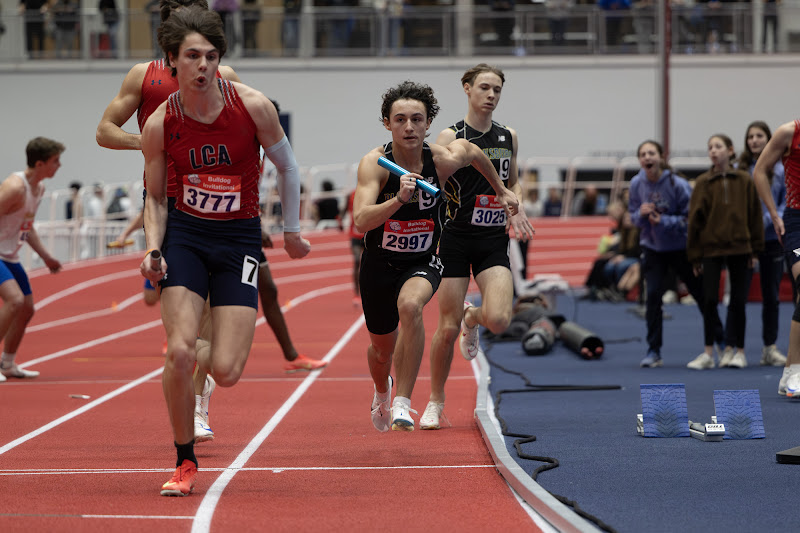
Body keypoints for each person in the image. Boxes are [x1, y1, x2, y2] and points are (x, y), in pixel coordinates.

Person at [140, 6, 310, 496]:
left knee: (228, 371)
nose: (203, 66)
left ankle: (201, 363)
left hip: (238, 240)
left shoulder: (252, 106)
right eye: (192, 56)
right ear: (172, 60)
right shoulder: (160, 123)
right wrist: (153, 247)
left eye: (211, 56)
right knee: (177, 352)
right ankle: (184, 460)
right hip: (186, 238)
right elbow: (155, 196)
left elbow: (289, 167)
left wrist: (293, 230)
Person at [354, 80, 523, 433]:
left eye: (417, 119)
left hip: (424, 259)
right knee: (381, 351)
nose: (409, 127)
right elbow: (360, 220)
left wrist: (502, 190)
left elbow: (475, 155)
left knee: (412, 307)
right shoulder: (376, 163)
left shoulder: (441, 159)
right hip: (378, 264)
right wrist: (398, 200)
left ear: (428, 123)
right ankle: (382, 390)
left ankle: (403, 402)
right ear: (387, 123)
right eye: (400, 119)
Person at [425, 64, 534, 430]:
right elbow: (435, 183)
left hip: (492, 240)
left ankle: (475, 318)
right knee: (445, 328)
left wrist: (516, 205)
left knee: (500, 320)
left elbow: (513, 183)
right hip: (454, 238)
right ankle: (435, 401)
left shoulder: (509, 136)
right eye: (484, 88)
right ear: (467, 89)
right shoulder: (450, 134)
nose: (491, 95)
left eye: (497, 90)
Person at [628, 140, 725, 368]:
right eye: (642, 154)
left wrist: (665, 221)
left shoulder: (677, 184)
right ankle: (654, 351)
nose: (647, 157)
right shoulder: (636, 184)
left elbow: (691, 219)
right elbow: (631, 216)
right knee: (652, 297)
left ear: (661, 157)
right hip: (653, 249)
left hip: (681, 249)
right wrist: (639, 215)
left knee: (701, 296)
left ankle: (721, 340)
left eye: (651, 153)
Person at [686, 134, 764, 370]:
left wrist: (755, 249)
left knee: (738, 301)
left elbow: (754, 215)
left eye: (718, 147)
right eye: (710, 147)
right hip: (711, 249)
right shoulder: (702, 182)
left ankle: (738, 351)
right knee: (709, 301)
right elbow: (694, 221)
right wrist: (694, 255)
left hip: (741, 247)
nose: (713, 151)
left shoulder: (744, 180)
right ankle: (710, 352)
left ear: (730, 151)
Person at [0, 137, 64, 383]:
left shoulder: (39, 189)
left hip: (10, 254)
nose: (59, 166)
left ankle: (7, 363)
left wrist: (46, 257)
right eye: (55, 161)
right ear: (39, 163)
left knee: (26, 308)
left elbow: (27, 227)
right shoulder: (15, 187)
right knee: (14, 300)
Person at [753, 118, 800, 396]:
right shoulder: (788, 132)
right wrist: (773, 212)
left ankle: (788, 373)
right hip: (796, 220)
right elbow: (760, 170)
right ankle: (794, 370)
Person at [738, 121, 787, 367]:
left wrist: (764, 221)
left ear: (769, 139)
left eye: (759, 136)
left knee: (771, 296)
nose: (754, 140)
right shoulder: (741, 170)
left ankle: (770, 347)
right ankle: (736, 349)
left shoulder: (780, 170)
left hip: (771, 240)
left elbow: (783, 204)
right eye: (750, 137)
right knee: (738, 297)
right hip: (744, 241)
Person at [342, 189, 364, 306]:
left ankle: (369, 292)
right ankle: (357, 294)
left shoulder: (372, 192)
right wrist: (339, 220)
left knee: (369, 264)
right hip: (355, 235)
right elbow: (344, 210)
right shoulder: (350, 195)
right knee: (356, 261)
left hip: (368, 234)